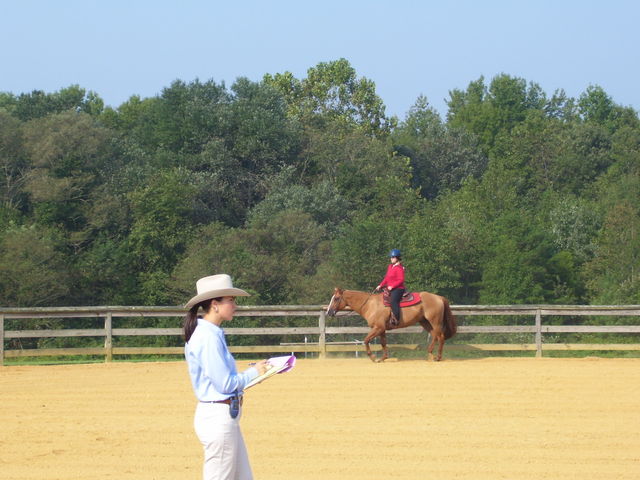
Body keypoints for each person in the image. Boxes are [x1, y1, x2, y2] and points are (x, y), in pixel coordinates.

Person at [183, 274, 269, 480]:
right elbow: (225, 383)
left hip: (223, 416)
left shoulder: (210, 333)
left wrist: (256, 374)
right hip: (218, 418)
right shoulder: (207, 337)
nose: (235, 305)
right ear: (215, 304)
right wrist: (253, 373)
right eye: (231, 300)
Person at [376, 249, 406, 325]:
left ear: (397, 258)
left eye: (393, 257)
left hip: (398, 289)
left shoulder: (399, 268)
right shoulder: (390, 266)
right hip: (390, 288)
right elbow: (386, 278)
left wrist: (392, 286)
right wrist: (380, 285)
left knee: (393, 301)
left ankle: (396, 319)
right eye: (391, 257)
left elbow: (401, 280)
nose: (391, 259)